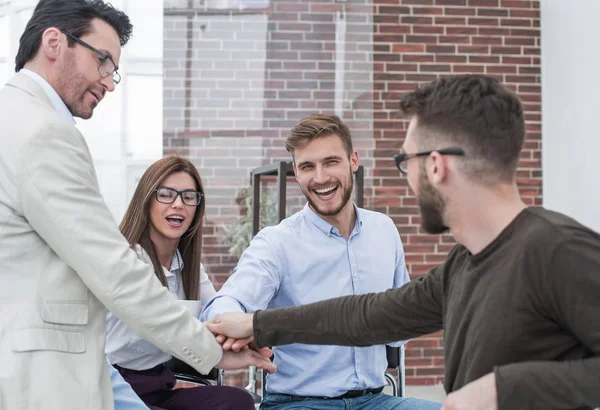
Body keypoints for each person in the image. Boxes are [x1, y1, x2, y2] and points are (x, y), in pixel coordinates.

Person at [205, 75, 600, 410]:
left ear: (435, 164)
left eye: (405, 162)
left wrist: (502, 389)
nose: (407, 177)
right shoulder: (465, 262)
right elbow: (368, 315)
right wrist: (258, 323)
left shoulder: (558, 249)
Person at [0, 1, 273, 409]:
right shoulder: (42, 132)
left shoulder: (12, 118)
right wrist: (210, 349)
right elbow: (114, 272)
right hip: (43, 374)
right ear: (54, 42)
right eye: (103, 61)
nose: (110, 82)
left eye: (114, 69)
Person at [201, 114, 441, 410]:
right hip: (299, 404)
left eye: (331, 162)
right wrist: (235, 325)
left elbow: (401, 328)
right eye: (307, 167)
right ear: (296, 173)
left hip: (375, 401)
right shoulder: (277, 243)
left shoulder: (384, 230)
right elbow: (222, 308)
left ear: (353, 160)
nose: (320, 177)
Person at [106, 156, 256, 409]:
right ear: (146, 201)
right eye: (166, 194)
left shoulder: (188, 267)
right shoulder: (127, 259)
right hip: (114, 389)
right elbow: (158, 323)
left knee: (237, 401)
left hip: (157, 388)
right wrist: (218, 352)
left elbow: (217, 310)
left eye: (188, 197)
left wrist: (248, 331)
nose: (178, 204)